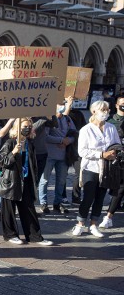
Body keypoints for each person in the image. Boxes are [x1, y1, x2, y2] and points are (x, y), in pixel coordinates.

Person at [0, 119, 54, 246]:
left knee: (29, 209)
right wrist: (13, 153)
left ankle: (34, 236)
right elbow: (1, 162)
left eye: (29, 126)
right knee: (9, 211)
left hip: (26, 180)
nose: (27, 128)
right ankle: (10, 234)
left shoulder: (29, 143)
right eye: (24, 126)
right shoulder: (10, 142)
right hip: (10, 181)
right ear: (17, 127)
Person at [74, 100, 120, 237]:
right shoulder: (86, 129)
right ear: (94, 111)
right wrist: (101, 154)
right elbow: (82, 151)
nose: (106, 112)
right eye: (103, 110)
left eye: (107, 110)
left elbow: (117, 144)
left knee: (100, 197)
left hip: (106, 168)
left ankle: (94, 224)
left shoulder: (111, 127)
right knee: (88, 197)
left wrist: (114, 153)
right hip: (91, 167)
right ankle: (80, 224)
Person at [38, 100, 76, 215]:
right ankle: (43, 203)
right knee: (44, 180)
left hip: (63, 155)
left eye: (63, 105)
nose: (62, 107)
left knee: (61, 181)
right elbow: (45, 136)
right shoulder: (49, 119)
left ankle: (58, 203)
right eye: (60, 104)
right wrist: (60, 140)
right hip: (49, 154)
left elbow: (74, 133)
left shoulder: (67, 119)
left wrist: (68, 141)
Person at [102, 95, 124, 228]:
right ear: (116, 105)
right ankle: (109, 216)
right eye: (122, 103)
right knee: (119, 188)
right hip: (119, 158)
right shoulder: (111, 122)